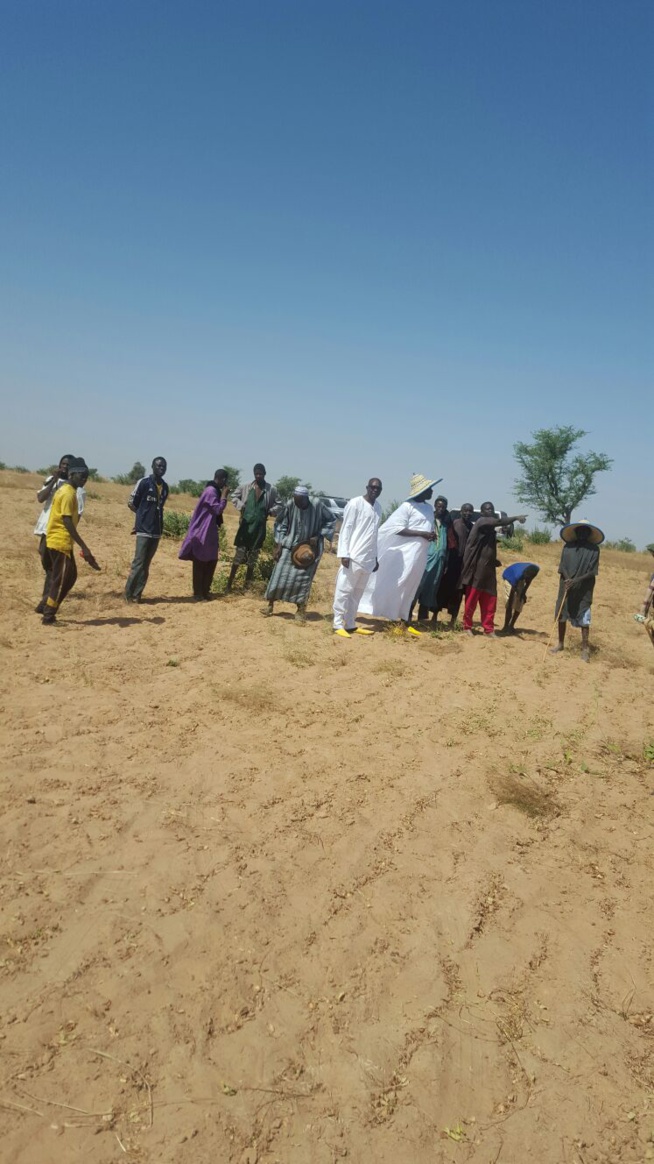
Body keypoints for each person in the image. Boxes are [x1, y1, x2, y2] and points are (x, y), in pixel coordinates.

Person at [357, 474, 441, 635]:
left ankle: (404, 617)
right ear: (422, 491)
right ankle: (390, 613)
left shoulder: (429, 508)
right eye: (429, 489)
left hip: (420, 554)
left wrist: (429, 534)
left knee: (412, 585)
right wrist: (422, 534)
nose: (432, 491)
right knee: (400, 582)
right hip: (406, 554)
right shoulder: (407, 507)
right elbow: (395, 528)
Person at [262, 487, 336, 622]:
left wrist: (319, 535)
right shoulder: (291, 504)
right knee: (278, 575)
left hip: (309, 549)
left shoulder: (317, 505)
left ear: (306, 499)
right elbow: (281, 523)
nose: (297, 505)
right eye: (295, 501)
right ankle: (270, 605)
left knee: (303, 581)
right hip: (290, 544)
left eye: (300, 502)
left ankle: (300, 611)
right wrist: (278, 545)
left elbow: (331, 519)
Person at [41, 458, 100, 625]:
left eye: (86, 477)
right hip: (60, 541)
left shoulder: (69, 491)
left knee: (70, 575)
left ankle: (47, 608)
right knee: (60, 580)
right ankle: (48, 615)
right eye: (81, 476)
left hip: (61, 541)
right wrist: (84, 547)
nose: (84, 480)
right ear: (72, 474)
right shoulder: (67, 493)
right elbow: (67, 521)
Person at [460, 502, 527, 636]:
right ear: (483, 512)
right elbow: (499, 521)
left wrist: (494, 560)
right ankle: (467, 626)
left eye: (492, 509)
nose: (490, 511)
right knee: (472, 599)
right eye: (487, 509)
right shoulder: (481, 522)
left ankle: (488, 628)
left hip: (489, 570)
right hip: (477, 569)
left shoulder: (490, 530)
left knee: (490, 601)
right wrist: (515, 518)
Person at [34, 455, 88, 613]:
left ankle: (45, 602)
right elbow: (41, 498)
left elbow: (76, 516)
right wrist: (83, 546)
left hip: (61, 537)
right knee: (56, 574)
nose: (64, 467)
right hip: (53, 534)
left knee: (61, 574)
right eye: (62, 464)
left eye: (67, 465)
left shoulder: (76, 491)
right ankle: (48, 611)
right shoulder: (62, 488)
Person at [332, 479, 383, 638]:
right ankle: (337, 624)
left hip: (368, 559)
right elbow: (346, 529)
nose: (375, 490)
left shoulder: (378, 508)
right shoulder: (355, 503)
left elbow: (374, 535)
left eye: (378, 488)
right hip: (353, 556)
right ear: (367, 487)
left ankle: (351, 624)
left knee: (357, 594)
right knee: (344, 590)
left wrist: (375, 558)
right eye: (372, 487)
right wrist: (344, 554)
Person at [550, 519, 603, 663]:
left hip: (583, 589)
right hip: (565, 586)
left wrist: (576, 580)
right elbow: (562, 566)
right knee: (562, 613)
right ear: (576, 532)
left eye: (585, 532)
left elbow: (592, 572)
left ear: (589, 534)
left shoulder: (594, 550)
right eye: (580, 531)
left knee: (584, 616)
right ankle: (560, 644)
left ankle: (585, 649)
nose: (582, 534)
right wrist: (568, 579)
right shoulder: (567, 547)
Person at [227, 464, 281, 591]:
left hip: (259, 528)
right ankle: (229, 585)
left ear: (265, 474)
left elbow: (280, 504)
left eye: (260, 474)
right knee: (238, 557)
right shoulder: (246, 487)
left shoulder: (271, 489)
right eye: (256, 474)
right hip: (245, 527)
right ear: (254, 474)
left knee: (252, 559)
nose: (258, 476)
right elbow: (234, 496)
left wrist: (270, 511)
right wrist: (241, 506)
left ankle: (246, 587)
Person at [178, 470, 230, 600]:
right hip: (202, 531)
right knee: (200, 561)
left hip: (209, 531)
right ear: (221, 479)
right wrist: (224, 496)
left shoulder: (212, 490)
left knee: (211, 560)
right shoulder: (211, 491)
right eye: (225, 480)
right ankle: (198, 593)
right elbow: (218, 510)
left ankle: (205, 591)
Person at [124, 457, 169, 602]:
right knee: (138, 563)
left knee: (146, 564)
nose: (161, 468)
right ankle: (128, 595)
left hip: (156, 531)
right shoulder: (144, 483)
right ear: (152, 467)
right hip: (143, 530)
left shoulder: (165, 487)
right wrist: (141, 518)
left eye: (164, 467)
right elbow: (132, 503)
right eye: (158, 466)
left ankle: (137, 595)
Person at [412, 495, 453, 623]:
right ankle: (406, 615)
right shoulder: (428, 520)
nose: (441, 509)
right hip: (426, 559)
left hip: (439, 561)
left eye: (443, 507)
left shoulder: (446, 524)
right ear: (435, 506)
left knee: (431, 588)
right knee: (418, 586)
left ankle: (422, 617)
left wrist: (445, 562)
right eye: (439, 506)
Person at [435, 502, 475, 627]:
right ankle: (434, 616)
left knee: (458, 593)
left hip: (463, 566)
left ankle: (453, 619)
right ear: (461, 512)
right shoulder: (456, 524)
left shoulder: (472, 527)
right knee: (443, 589)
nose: (467, 513)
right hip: (451, 562)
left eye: (470, 511)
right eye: (465, 511)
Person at [500, 561, 540, 633]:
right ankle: (505, 627)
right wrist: (511, 602)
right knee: (510, 603)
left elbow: (529, 581)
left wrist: (523, 593)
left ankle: (511, 626)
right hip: (510, 578)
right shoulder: (517, 576)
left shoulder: (535, 569)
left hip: (520, 578)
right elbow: (512, 592)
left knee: (520, 602)